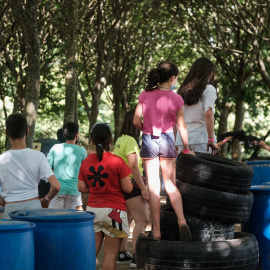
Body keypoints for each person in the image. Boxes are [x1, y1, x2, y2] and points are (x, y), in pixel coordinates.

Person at [133, 61, 195, 241]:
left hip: (149, 139)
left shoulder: (144, 95)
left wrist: (147, 127)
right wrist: (186, 148)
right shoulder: (177, 99)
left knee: (153, 187)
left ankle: (157, 230)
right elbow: (181, 125)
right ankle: (182, 220)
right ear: (172, 78)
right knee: (169, 184)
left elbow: (136, 121)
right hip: (167, 139)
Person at [78, 123, 133, 270]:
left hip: (93, 211)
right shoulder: (118, 162)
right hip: (114, 213)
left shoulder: (86, 162)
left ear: (92, 140)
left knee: (91, 253)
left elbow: (81, 187)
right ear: (111, 140)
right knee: (110, 255)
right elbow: (128, 188)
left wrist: (96, 188)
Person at [0, 113, 60, 219]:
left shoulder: (1, 160)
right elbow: (56, 186)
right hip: (34, 208)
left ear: (6, 133)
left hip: (10, 210)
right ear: (27, 131)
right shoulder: (39, 156)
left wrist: (5, 203)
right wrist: (46, 200)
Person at [114, 110, 149, 268]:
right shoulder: (130, 141)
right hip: (132, 185)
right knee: (142, 220)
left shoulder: (120, 140)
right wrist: (143, 188)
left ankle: (122, 253)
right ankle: (137, 256)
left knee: (127, 219)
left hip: (122, 185)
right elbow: (134, 166)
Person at [175, 57, 220, 155]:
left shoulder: (181, 91)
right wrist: (211, 139)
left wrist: (175, 141)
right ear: (209, 73)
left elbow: (176, 119)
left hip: (181, 140)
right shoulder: (209, 89)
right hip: (201, 139)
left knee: (184, 170)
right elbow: (208, 113)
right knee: (204, 170)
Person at [47, 122, 87, 209]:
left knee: (54, 219)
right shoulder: (82, 150)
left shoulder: (55, 148)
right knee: (69, 219)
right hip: (74, 191)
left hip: (58, 190)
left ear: (64, 135)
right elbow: (85, 170)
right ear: (77, 135)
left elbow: (47, 168)